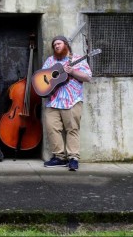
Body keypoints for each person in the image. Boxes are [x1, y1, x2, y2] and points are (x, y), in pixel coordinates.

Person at [43, 36, 92, 171]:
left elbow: (88, 77)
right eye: (54, 45)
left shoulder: (77, 59)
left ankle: (73, 158)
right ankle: (59, 157)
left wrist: (73, 71)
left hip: (72, 100)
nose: (56, 46)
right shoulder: (50, 60)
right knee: (52, 128)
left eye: (58, 43)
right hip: (53, 101)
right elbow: (43, 76)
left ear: (66, 45)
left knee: (72, 129)